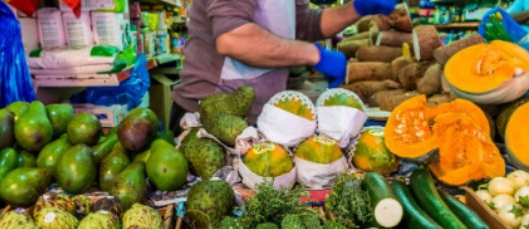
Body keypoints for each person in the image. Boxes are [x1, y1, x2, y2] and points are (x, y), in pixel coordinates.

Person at [169, 0, 397, 134]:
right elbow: (233, 38)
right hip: (208, 120)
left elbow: (304, 22)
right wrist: (314, 55)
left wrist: (357, 8)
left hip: (259, 117)